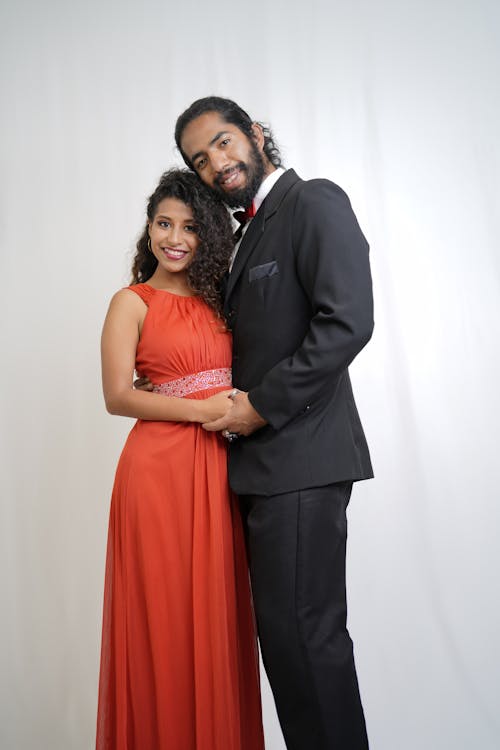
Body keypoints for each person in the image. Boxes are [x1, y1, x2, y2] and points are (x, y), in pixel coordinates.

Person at [175, 97, 374, 750]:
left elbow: (345, 321)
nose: (217, 164)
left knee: (305, 640)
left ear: (257, 135)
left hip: (302, 462)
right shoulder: (242, 236)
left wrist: (259, 405)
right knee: (288, 646)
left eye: (225, 143)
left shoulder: (312, 202)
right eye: (200, 160)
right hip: (260, 472)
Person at [96, 168, 264, 750]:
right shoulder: (132, 301)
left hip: (218, 469)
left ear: (208, 235)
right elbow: (118, 396)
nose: (175, 238)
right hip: (158, 472)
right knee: (163, 616)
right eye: (164, 223)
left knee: (214, 615)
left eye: (190, 227)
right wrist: (204, 411)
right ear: (148, 229)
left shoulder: (223, 300)